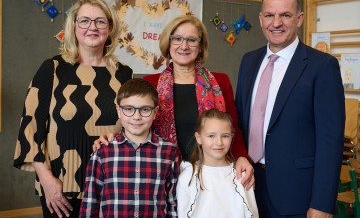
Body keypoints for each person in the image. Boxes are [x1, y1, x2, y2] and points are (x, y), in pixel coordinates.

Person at [94, 15, 255, 188]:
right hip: (163, 175)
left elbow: (233, 128)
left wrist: (242, 157)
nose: (184, 46)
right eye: (177, 39)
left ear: (200, 46)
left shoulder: (221, 81)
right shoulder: (150, 83)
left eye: (191, 40)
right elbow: (137, 123)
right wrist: (113, 137)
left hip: (212, 175)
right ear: (168, 44)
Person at [13, 0, 133, 218]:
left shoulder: (124, 74)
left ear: (110, 27)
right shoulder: (53, 69)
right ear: (74, 26)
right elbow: (31, 128)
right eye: (85, 20)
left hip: (112, 183)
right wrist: (47, 180)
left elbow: (134, 126)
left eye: (100, 21)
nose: (92, 27)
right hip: (61, 185)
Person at [235, 0, 345, 217]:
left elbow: (330, 140)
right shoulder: (248, 61)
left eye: (285, 15)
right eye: (269, 15)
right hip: (248, 185)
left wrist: (323, 203)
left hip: (298, 195)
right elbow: (240, 122)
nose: (276, 23)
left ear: (299, 18)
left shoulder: (322, 66)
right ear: (261, 19)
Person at [80, 78, 180, 217]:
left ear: (155, 112)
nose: (136, 117)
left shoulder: (169, 151)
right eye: (128, 109)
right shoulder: (102, 152)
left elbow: (173, 202)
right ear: (119, 111)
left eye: (145, 109)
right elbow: (90, 202)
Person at [177, 108, 258, 218]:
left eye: (225, 136)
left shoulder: (242, 176)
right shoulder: (187, 177)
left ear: (232, 137)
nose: (219, 142)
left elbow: (253, 213)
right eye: (211, 136)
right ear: (199, 138)